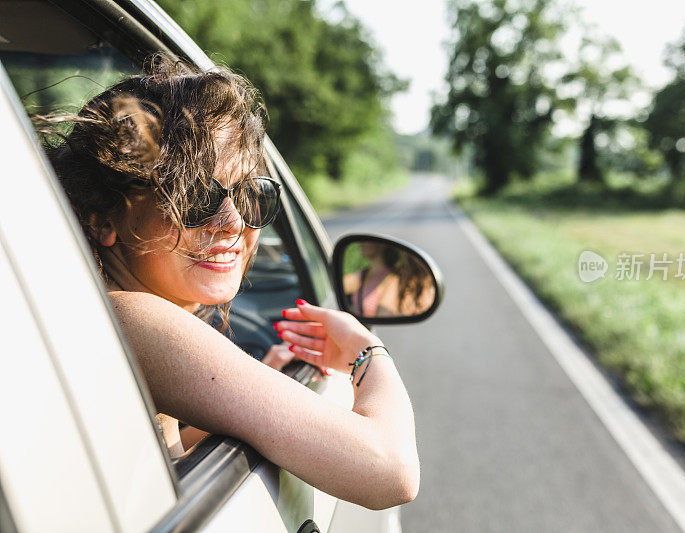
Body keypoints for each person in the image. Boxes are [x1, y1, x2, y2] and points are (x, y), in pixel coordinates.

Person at [41, 57, 419, 510]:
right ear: (103, 218)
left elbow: (152, 454)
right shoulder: (130, 316)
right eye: (196, 196)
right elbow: (390, 469)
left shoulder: (107, 315)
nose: (234, 221)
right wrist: (365, 350)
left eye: (248, 194)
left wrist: (261, 391)